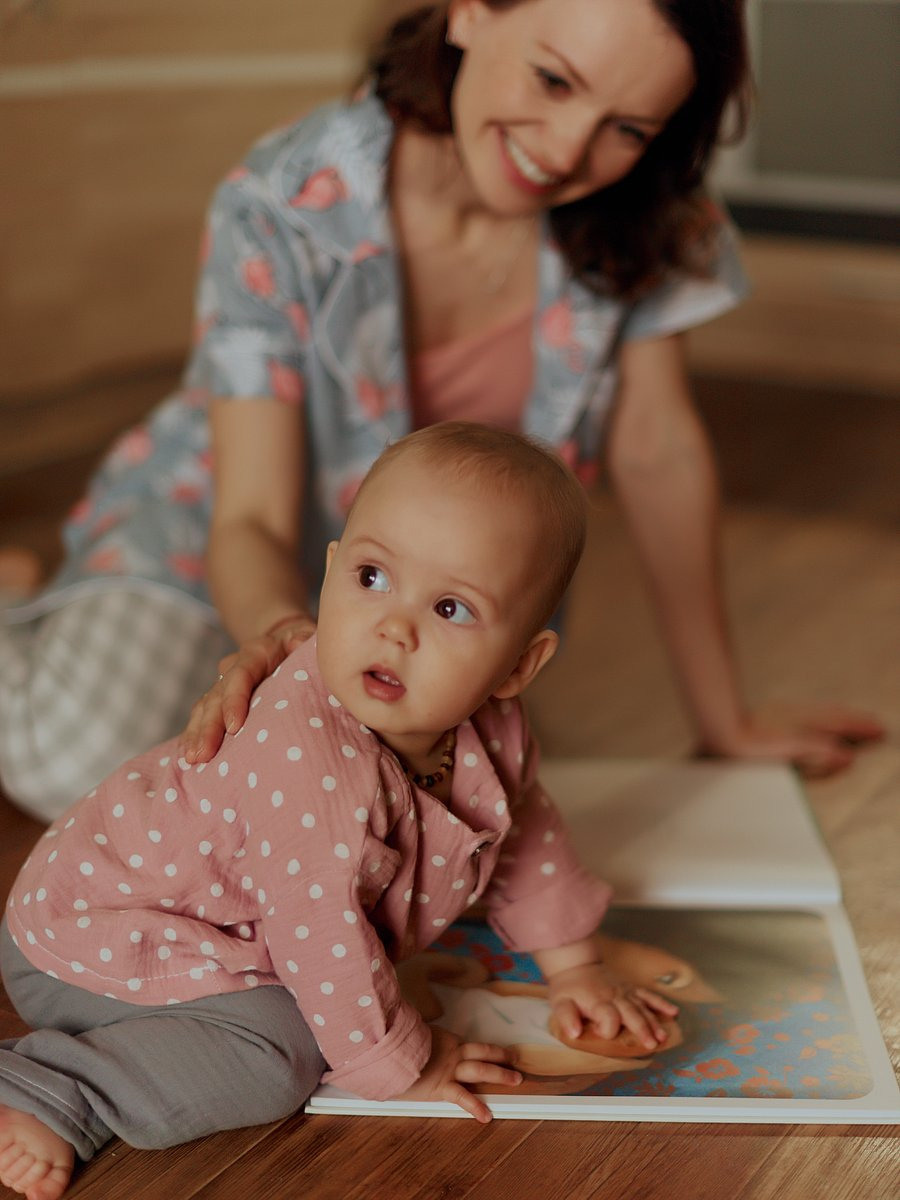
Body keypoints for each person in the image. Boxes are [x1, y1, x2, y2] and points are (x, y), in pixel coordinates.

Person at [0, 0, 881, 822]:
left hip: (430, 609)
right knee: (81, 768)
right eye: (553, 79)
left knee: (393, 815)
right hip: (216, 534)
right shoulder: (284, 199)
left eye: (627, 128)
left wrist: (722, 719)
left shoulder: (645, 215)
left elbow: (658, 450)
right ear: (468, 10)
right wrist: (297, 654)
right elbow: (254, 514)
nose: (570, 150)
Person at [0, 424, 678, 1200]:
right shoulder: (310, 759)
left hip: (204, 937)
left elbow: (524, 826)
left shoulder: (491, 731)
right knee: (279, 1054)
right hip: (93, 933)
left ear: (519, 665)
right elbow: (323, 937)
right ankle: (53, 1089)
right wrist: (407, 1067)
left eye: (451, 608)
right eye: (371, 576)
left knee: (297, 1015)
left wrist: (573, 968)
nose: (395, 625)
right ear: (328, 574)